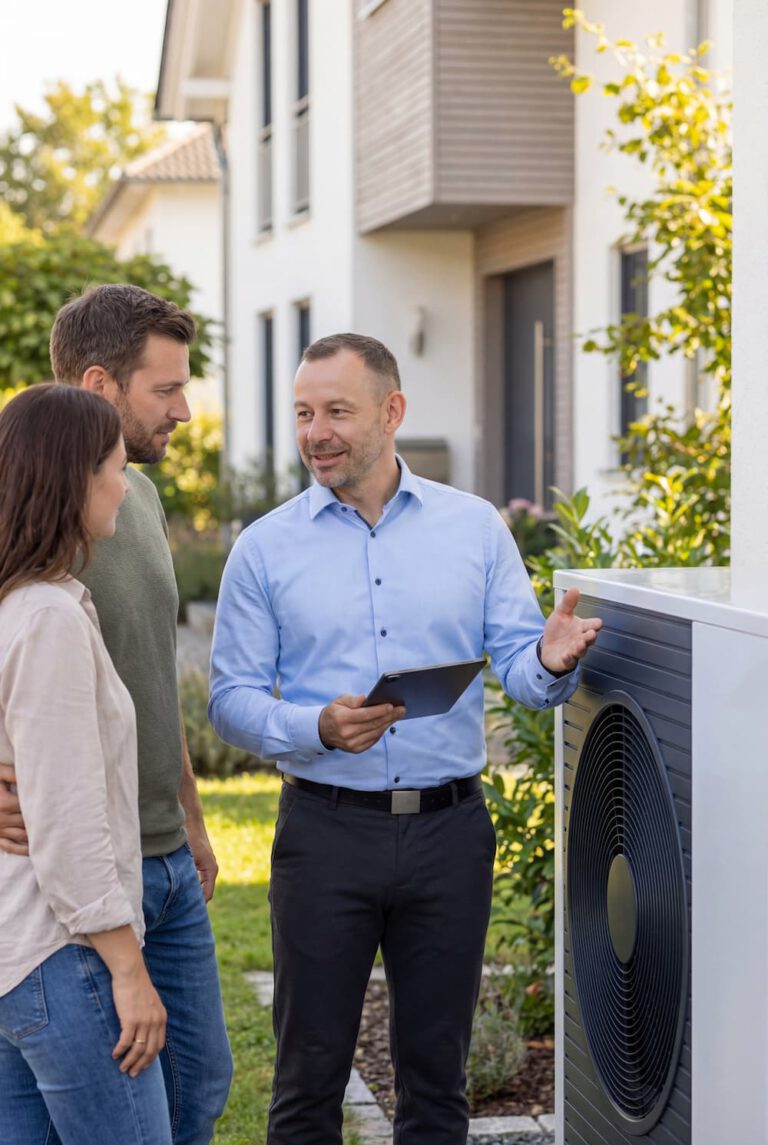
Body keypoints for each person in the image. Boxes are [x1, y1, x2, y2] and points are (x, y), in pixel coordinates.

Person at [208, 332, 602, 1144]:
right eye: (304, 412)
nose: (316, 431)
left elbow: (522, 674)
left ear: (392, 412)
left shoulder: (474, 529)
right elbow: (230, 702)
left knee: (437, 1080)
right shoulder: (263, 548)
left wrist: (551, 660)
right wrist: (313, 725)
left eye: (336, 411)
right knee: (308, 1080)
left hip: (450, 835)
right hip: (323, 834)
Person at [0, 286, 232, 1145]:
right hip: (80, 891)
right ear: (101, 385)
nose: (184, 410)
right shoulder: (29, 518)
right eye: (166, 390)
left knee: (200, 1084)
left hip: (166, 861)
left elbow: (148, 679)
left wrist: (195, 820)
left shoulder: (138, 498)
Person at [0, 383, 171, 1144]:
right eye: (114, 464)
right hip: (65, 961)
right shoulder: (47, 618)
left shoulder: (24, 605)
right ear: (74, 477)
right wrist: (129, 973)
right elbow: (69, 828)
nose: (123, 481)